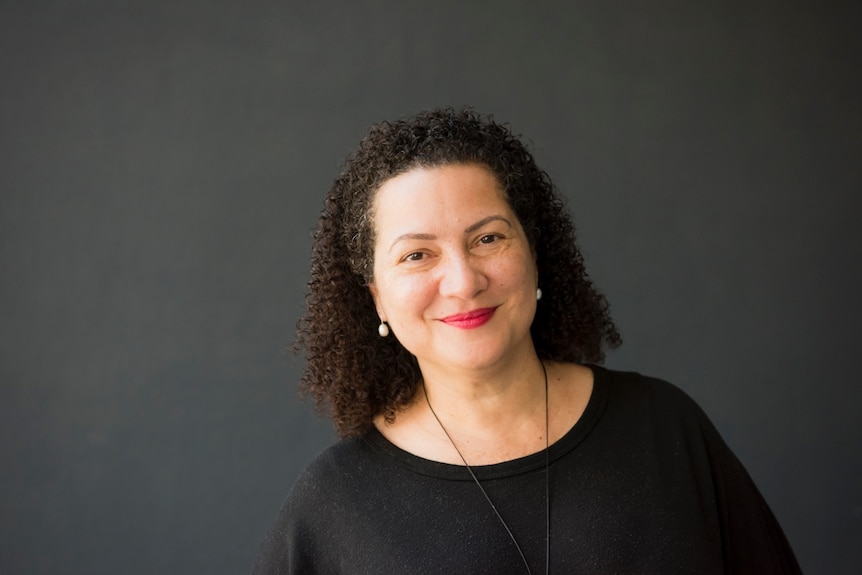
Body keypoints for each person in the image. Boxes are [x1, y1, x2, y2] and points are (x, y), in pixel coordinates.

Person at [252, 108, 801, 574]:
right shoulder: (336, 504)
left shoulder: (665, 429)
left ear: (534, 253)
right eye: (417, 254)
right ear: (376, 298)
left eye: (488, 238)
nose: (464, 281)